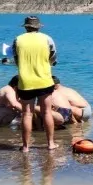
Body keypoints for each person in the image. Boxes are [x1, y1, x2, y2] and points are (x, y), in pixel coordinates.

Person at [13, 16, 58, 152]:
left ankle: (26, 147)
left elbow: (16, 59)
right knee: (47, 112)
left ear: (26, 27)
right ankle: (50, 144)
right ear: (38, 27)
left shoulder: (18, 40)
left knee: (27, 114)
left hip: (25, 81)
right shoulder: (47, 39)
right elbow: (53, 57)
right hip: (44, 80)